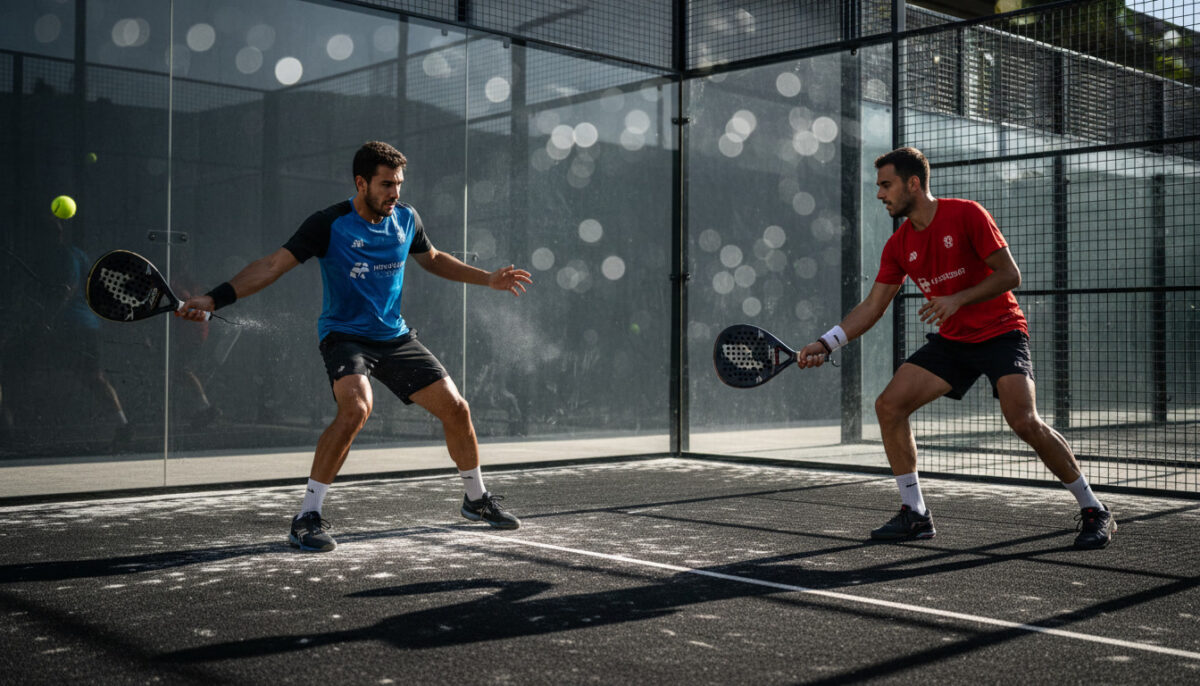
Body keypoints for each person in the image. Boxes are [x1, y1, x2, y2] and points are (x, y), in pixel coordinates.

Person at [177, 141, 533, 552]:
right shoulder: (329, 223)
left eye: (398, 184)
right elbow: (272, 266)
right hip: (344, 337)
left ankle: (476, 500)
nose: (394, 193)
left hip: (395, 337)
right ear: (361, 182)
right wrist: (213, 298)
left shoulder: (406, 219)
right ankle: (306, 516)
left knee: (458, 409)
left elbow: (432, 257)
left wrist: (487, 278)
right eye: (385, 185)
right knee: (357, 408)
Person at [797, 146, 1115, 550]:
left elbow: (1009, 275)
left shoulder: (967, 214)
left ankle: (1094, 509)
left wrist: (957, 298)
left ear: (914, 183)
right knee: (889, 406)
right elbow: (873, 306)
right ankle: (915, 514)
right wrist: (827, 343)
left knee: (1024, 420)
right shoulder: (898, 246)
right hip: (954, 341)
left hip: (1002, 331)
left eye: (886, 185)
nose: (880, 194)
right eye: (879, 186)